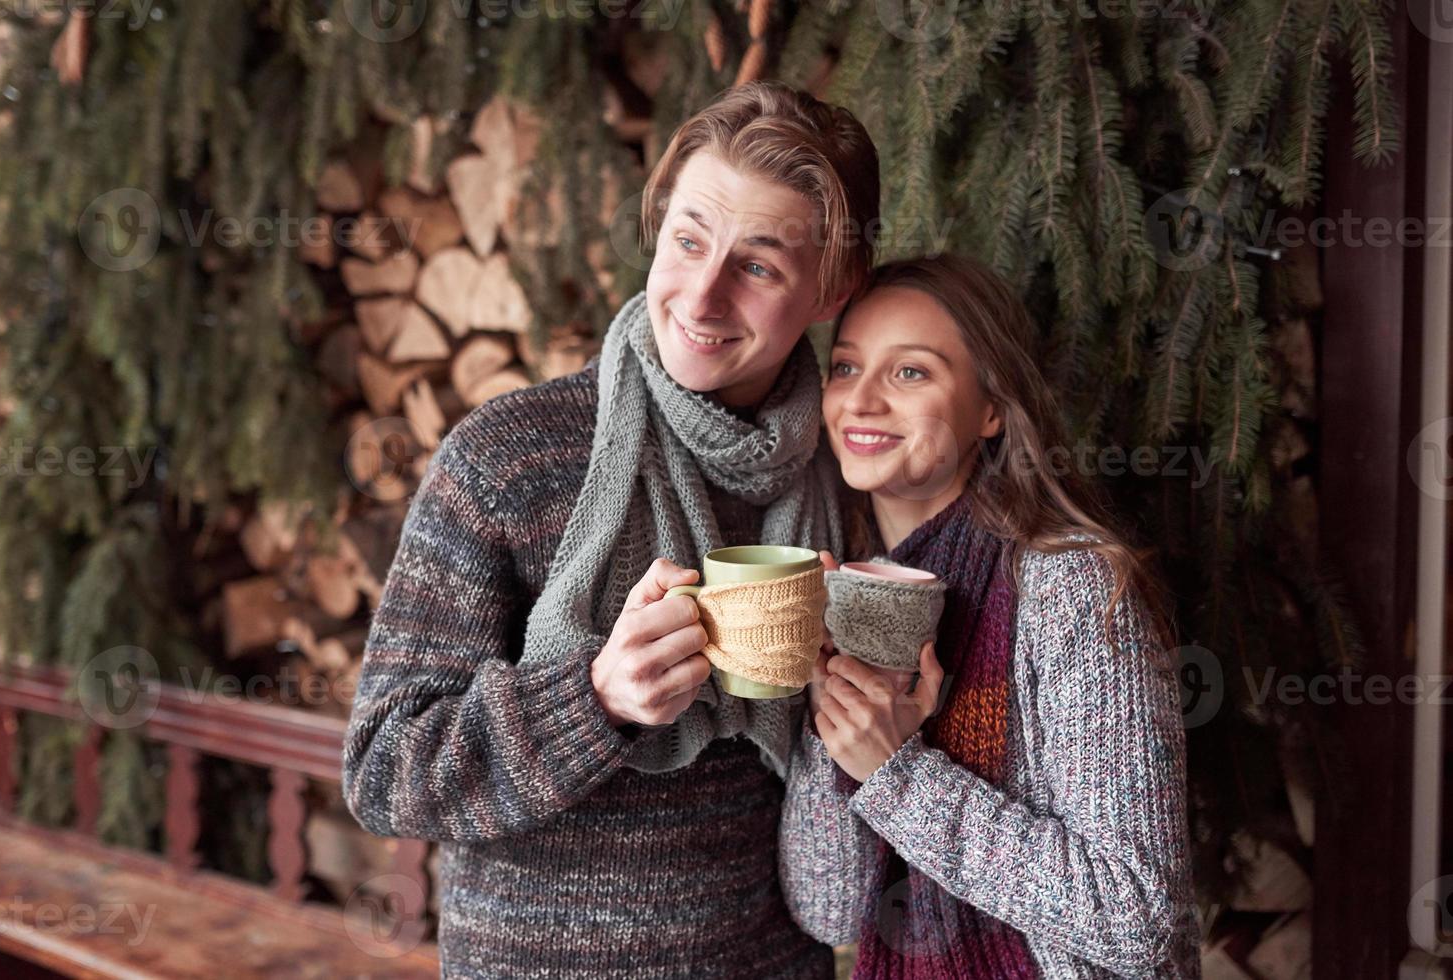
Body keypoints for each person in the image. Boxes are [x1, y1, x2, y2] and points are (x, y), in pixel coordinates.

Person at [341, 81, 880, 978]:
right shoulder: (509, 457)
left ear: (832, 290)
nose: (701, 298)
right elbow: (384, 772)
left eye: (757, 266)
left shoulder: (849, 478)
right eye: (688, 240)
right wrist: (593, 699)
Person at [779, 253, 1201, 977]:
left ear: (992, 408)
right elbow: (829, 910)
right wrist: (840, 712)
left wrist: (899, 777)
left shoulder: (1071, 585)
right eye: (846, 368)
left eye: (910, 372)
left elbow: (1139, 917)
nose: (862, 401)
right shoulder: (842, 584)